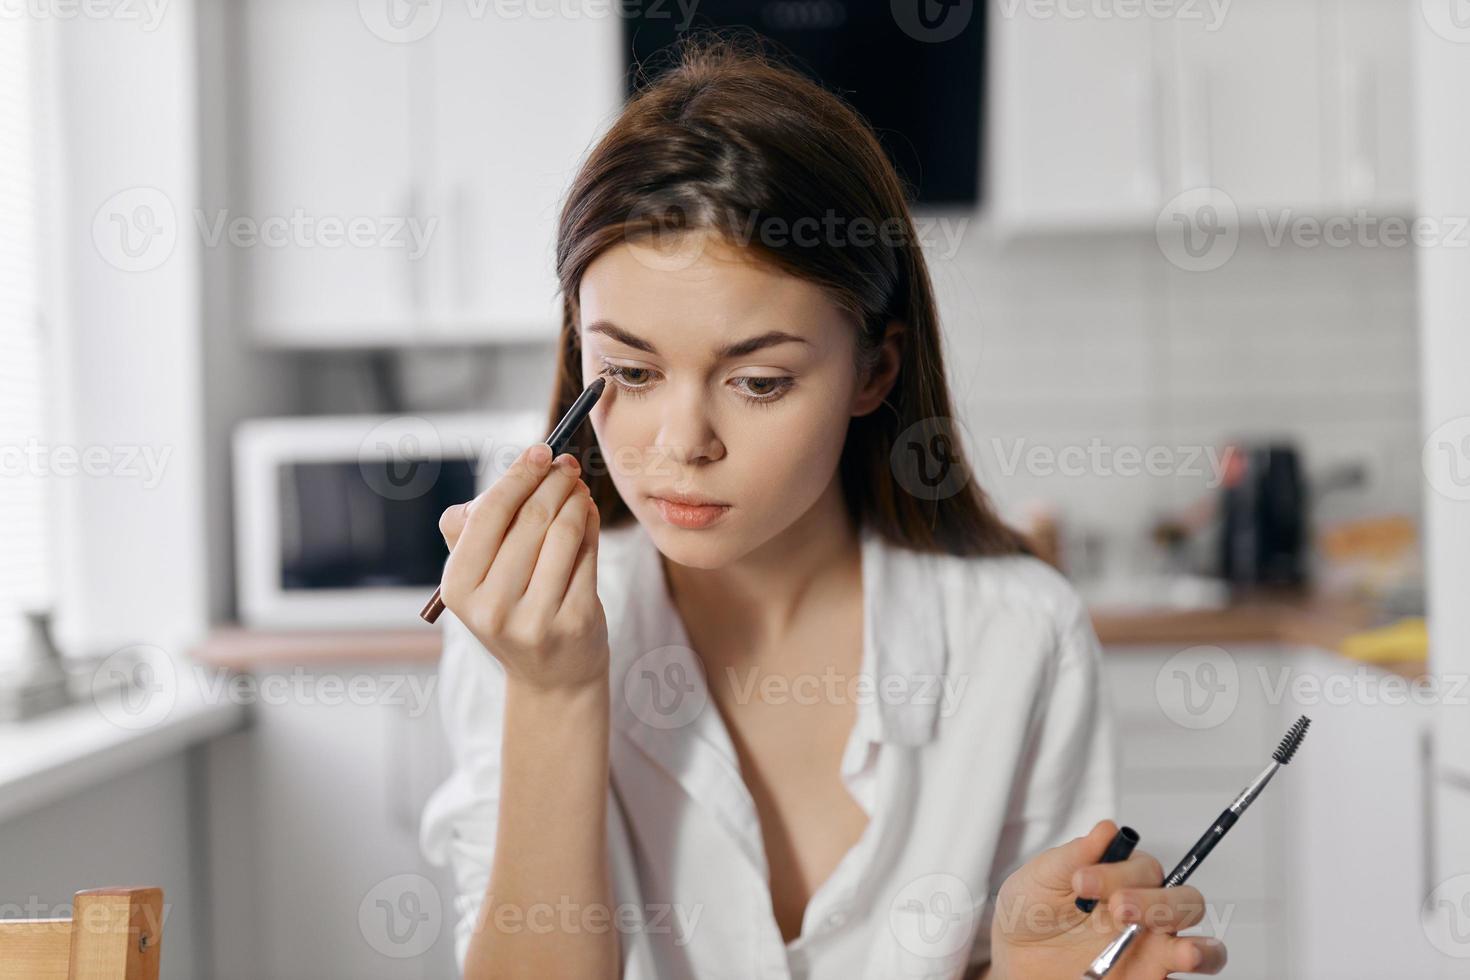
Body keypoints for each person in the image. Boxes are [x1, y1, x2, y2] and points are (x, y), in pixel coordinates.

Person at [420, 34, 1227, 980]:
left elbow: (1047, 952)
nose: (682, 443)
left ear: (873, 370)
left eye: (758, 381)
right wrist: (556, 692)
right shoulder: (521, 633)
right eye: (629, 373)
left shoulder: (1020, 636)